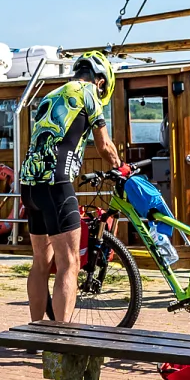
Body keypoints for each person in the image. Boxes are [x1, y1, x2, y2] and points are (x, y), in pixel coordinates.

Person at [19, 51, 122, 322]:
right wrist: (120, 167)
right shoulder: (88, 93)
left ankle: (36, 333)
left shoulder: (51, 95)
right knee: (69, 263)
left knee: (41, 263)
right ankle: (61, 343)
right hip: (57, 185)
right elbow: (105, 146)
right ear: (101, 82)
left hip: (29, 185)